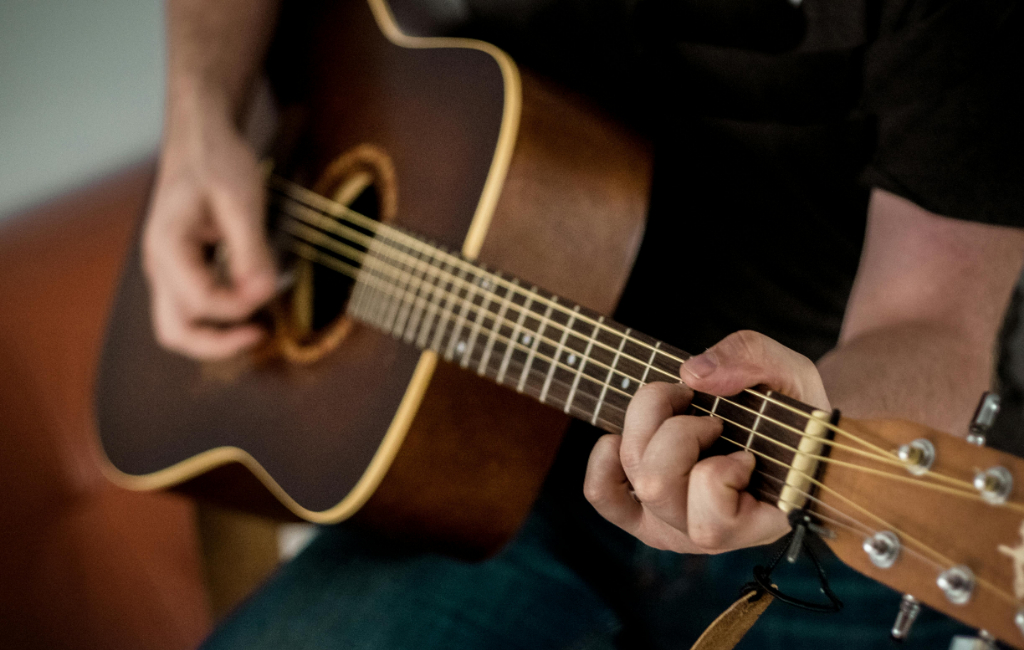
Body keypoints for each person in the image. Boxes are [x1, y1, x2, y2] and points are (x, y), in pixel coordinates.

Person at [143, 0, 1024, 647]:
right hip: (465, 479)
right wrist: (199, 117)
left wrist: (812, 438)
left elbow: (941, 317)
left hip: (809, 532)